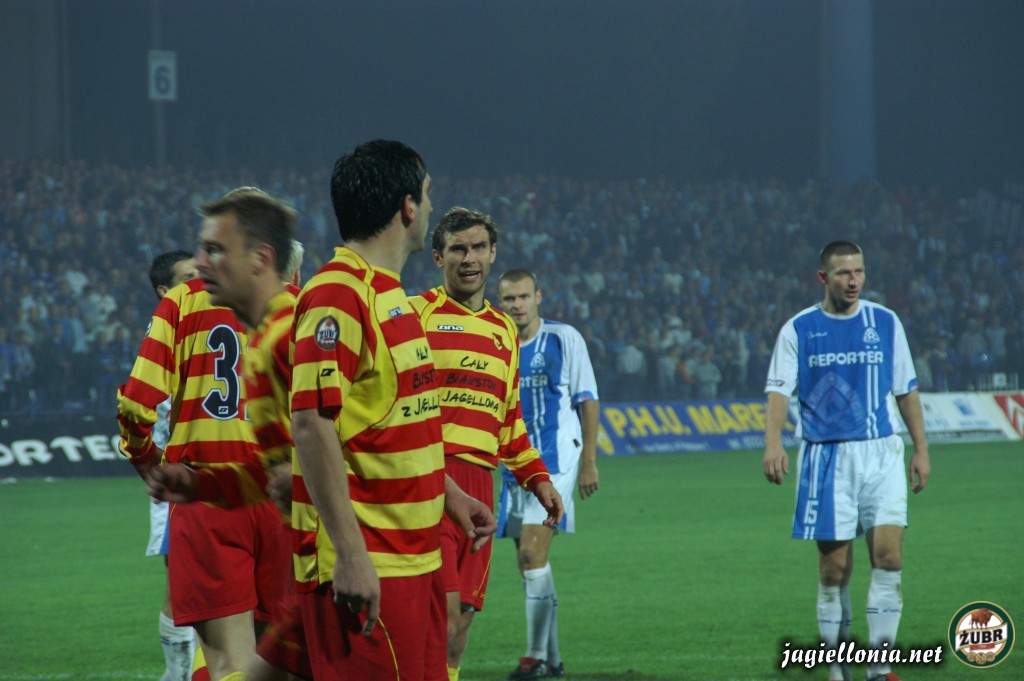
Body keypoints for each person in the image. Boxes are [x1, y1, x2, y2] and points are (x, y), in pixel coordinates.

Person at [288, 141, 493, 681]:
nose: (430, 206)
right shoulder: (338, 294)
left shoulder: (392, 296)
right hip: (372, 565)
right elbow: (311, 425)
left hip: (418, 558)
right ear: (407, 206)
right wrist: (351, 554)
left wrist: (450, 494)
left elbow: (399, 421)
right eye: (427, 194)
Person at [117, 224, 292, 681]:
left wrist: (145, 460)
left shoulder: (183, 300)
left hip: (206, 491)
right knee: (279, 658)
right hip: (281, 498)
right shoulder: (297, 304)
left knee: (229, 662)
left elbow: (136, 402)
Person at [762, 241, 930, 681]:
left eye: (859, 271)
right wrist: (773, 443)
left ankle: (880, 668)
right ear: (824, 277)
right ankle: (837, 670)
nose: (853, 281)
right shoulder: (799, 329)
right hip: (827, 457)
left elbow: (906, 389)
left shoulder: (885, 322)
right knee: (834, 569)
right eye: (843, 273)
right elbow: (778, 391)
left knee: (888, 558)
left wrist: (921, 448)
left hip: (881, 452)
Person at [409, 208, 564, 681]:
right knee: (439, 617)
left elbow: (509, 422)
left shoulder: (503, 332)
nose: (469, 258)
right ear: (439, 257)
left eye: (478, 247)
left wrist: (538, 478)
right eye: (458, 249)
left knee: (459, 628)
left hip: (482, 485)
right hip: (431, 482)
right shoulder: (416, 315)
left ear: (493, 253)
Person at [496, 268, 600, 680]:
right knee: (530, 565)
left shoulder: (563, 338)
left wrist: (589, 460)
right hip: (513, 466)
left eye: (524, 296)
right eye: (509, 298)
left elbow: (587, 399)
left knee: (531, 553)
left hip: (556, 459)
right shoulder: (497, 343)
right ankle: (553, 660)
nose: (517, 305)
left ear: (538, 297)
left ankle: (534, 657)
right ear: (500, 302)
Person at [146, 250, 199, 681]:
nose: (198, 282)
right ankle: (178, 673)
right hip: (177, 480)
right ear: (165, 291)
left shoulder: (195, 325)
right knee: (182, 586)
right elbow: (136, 403)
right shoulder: (167, 333)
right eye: (187, 277)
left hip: (198, 478)